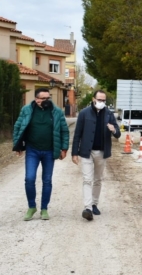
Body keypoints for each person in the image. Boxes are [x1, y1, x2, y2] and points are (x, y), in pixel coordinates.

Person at [12, 88, 69, 221]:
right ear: (36, 99)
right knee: (29, 178)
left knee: (47, 180)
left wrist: (64, 148)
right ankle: (32, 207)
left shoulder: (57, 112)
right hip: (32, 150)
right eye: (43, 98)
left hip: (50, 150)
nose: (46, 101)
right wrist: (17, 146)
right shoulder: (27, 110)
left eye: (48, 98)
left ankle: (44, 209)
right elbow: (18, 126)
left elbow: (64, 131)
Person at [71, 90, 121, 221]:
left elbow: (118, 134)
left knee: (98, 179)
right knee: (87, 179)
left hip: (102, 151)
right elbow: (77, 134)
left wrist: (113, 129)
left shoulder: (109, 114)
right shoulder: (84, 113)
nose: (102, 102)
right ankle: (87, 208)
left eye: (104, 100)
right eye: (99, 100)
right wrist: (74, 153)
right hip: (86, 152)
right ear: (94, 99)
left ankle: (94, 204)